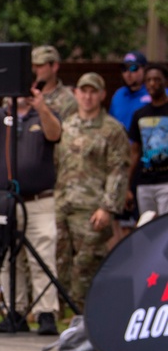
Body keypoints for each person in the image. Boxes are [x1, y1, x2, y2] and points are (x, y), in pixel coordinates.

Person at [0, 82, 63, 336]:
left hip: (39, 201)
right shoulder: (1, 116)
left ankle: (46, 313)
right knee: (9, 258)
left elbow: (55, 134)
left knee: (42, 256)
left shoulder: (44, 113)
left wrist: (41, 107)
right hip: (6, 201)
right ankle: (16, 311)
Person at [55, 73, 130, 311]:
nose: (87, 97)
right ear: (75, 93)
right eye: (83, 91)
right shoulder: (65, 125)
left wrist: (108, 208)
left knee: (86, 263)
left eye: (93, 92)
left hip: (92, 207)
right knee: (60, 261)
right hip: (62, 203)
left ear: (102, 95)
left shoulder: (112, 130)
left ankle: (83, 314)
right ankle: (58, 310)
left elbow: (118, 171)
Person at [109, 51, 150, 244]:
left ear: (144, 70)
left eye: (134, 68)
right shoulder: (118, 96)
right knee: (120, 220)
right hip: (122, 161)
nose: (129, 73)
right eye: (124, 69)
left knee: (145, 219)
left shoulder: (154, 94)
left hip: (148, 164)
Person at [127, 63, 168, 218]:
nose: (152, 83)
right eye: (149, 80)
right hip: (145, 181)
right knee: (146, 226)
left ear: (165, 82)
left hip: (166, 181)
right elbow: (135, 151)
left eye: (157, 79)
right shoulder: (140, 115)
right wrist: (128, 186)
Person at [31, 45, 77, 121]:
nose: (34, 70)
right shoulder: (23, 95)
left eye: (39, 66)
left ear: (54, 67)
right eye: (32, 66)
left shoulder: (68, 99)